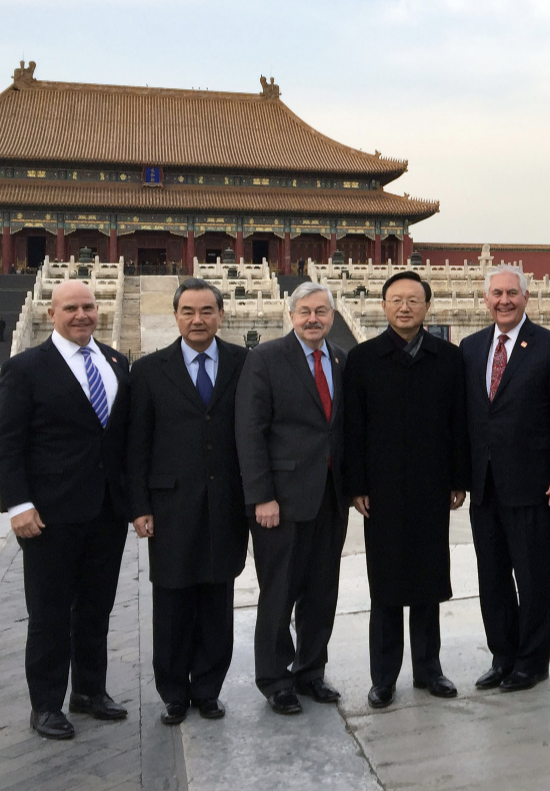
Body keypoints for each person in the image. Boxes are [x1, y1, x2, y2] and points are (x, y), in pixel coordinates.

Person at [0, 279, 131, 740]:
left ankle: (90, 691)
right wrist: (17, 503)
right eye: (71, 308)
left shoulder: (116, 362)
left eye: (89, 307)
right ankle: (46, 704)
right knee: (50, 612)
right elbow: (8, 441)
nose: (82, 315)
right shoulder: (26, 368)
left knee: (97, 608)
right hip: (50, 514)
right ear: (50, 313)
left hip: (107, 511)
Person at [343, 271, 470, 709]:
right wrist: (356, 485)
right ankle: (383, 676)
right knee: (387, 583)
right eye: (396, 300)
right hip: (382, 488)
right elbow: (352, 428)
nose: (404, 307)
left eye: (413, 300)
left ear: (427, 307)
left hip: (432, 485)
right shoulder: (362, 359)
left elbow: (459, 424)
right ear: (383, 306)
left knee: (429, 580)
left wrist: (459, 478)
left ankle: (429, 669)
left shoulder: (448, 358)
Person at [128, 278, 249, 725]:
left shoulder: (243, 363)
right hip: (170, 504)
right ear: (175, 315)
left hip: (227, 501)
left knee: (218, 598)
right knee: (173, 601)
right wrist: (139, 506)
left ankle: (209, 689)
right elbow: (136, 445)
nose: (198, 320)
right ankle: (174, 692)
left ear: (220, 315)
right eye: (188, 312)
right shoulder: (149, 370)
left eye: (206, 311)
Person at [461, 264, 550, 693]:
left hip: (534, 483)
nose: (504, 301)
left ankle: (532, 661)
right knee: (491, 577)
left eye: (512, 293)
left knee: (534, 577)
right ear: (486, 298)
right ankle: (503, 656)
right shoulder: (471, 348)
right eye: (497, 294)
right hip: (485, 484)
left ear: (526, 297)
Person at [235, 281, 349, 715]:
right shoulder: (265, 359)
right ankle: (276, 679)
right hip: (280, 502)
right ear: (291, 314)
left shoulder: (341, 359)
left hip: (330, 498)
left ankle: (311, 671)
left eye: (321, 311)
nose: (313, 319)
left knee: (322, 592)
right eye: (305, 311)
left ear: (332, 317)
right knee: (279, 592)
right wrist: (261, 496)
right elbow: (250, 431)